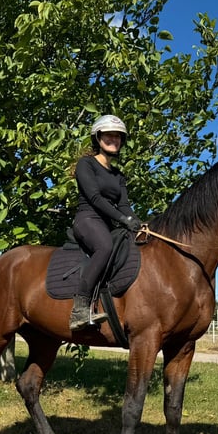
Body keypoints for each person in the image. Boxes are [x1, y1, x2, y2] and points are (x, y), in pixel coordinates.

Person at [69, 114, 142, 330]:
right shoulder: (86, 164)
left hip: (109, 223)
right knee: (105, 246)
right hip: (88, 219)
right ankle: (79, 309)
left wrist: (137, 223)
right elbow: (94, 198)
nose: (114, 139)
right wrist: (122, 219)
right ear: (98, 138)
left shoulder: (118, 175)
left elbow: (125, 205)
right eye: (109, 135)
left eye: (118, 136)